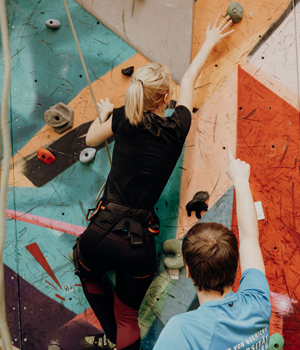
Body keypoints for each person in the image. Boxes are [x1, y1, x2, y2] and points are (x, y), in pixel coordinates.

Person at [74, 16, 234, 350]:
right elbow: (189, 79)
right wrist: (208, 41)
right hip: (139, 246)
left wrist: (104, 113)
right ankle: (120, 337)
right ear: (165, 99)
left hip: (102, 232)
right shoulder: (178, 129)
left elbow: (89, 139)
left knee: (87, 271)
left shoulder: (122, 119)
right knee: (128, 319)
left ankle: (115, 338)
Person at [153, 151, 271, 350]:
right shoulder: (257, 302)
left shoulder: (181, 330)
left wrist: (241, 181)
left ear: (188, 270)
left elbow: (249, 239)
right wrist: (241, 181)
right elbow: (249, 238)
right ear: (235, 266)